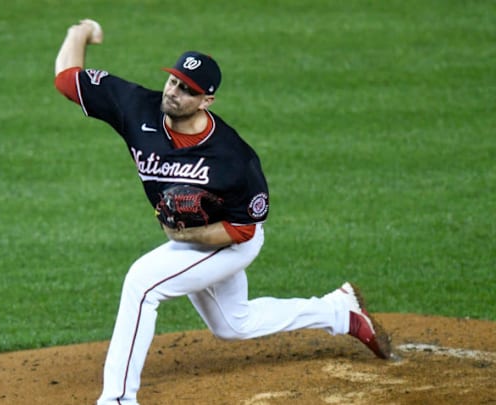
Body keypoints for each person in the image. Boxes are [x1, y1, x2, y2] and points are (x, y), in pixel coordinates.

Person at [53, 19, 391, 405]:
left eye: (188, 90)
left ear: (206, 101)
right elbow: (67, 78)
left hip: (227, 237)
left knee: (142, 284)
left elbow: (243, 230)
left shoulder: (233, 159)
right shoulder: (135, 107)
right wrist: (79, 33)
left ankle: (116, 399)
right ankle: (339, 311)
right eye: (174, 81)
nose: (175, 92)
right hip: (192, 235)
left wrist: (187, 237)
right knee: (234, 324)